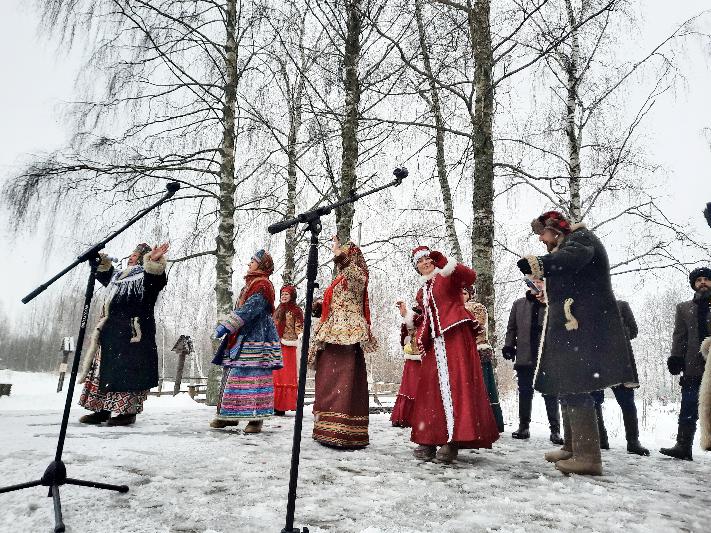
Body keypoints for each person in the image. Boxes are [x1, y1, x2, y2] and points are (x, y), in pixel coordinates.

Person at [517, 211, 637, 475]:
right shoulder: (571, 242)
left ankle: (588, 457)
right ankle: (573, 447)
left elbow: (570, 260)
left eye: (542, 233)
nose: (540, 239)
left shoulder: (581, 239)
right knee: (567, 383)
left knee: (576, 384)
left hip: (582, 325)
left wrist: (538, 264)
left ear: (555, 230)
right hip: (573, 324)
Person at [409, 246, 499, 463]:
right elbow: (427, 318)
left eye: (427, 258)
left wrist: (445, 262)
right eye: (419, 261)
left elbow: (470, 276)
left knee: (456, 385)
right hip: (435, 342)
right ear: (417, 267)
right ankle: (430, 437)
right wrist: (416, 327)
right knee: (432, 388)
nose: (425, 262)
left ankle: (453, 440)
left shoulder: (446, 276)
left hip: (455, 336)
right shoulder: (422, 292)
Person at [78, 242, 169, 426]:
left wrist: (153, 261)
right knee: (105, 370)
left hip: (133, 334)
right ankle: (101, 410)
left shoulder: (146, 277)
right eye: (131, 254)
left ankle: (127, 413)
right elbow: (105, 275)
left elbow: (157, 279)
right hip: (111, 332)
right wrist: (101, 262)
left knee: (127, 373)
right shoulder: (119, 277)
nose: (131, 257)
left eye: (136, 255)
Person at [309, 237, 377, 449]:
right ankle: (326, 429)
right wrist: (318, 305)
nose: (342, 255)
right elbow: (335, 303)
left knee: (344, 383)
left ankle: (345, 431)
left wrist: (339, 253)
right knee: (327, 381)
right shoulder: (337, 281)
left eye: (348, 252)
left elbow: (353, 275)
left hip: (347, 336)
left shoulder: (358, 275)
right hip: (331, 335)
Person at [212, 250, 282, 434]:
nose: (249, 263)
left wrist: (228, 324)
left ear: (262, 265)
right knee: (236, 376)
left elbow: (252, 308)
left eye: (253, 260)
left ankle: (256, 418)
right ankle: (230, 416)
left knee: (255, 377)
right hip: (243, 334)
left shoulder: (263, 284)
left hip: (257, 336)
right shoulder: (250, 283)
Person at [502, 279, 563, 445]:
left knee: (550, 393)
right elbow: (511, 328)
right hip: (525, 355)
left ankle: (555, 430)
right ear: (529, 284)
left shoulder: (553, 303)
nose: (538, 284)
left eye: (541, 281)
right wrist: (509, 346)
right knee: (525, 392)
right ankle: (523, 427)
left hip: (547, 357)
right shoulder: (518, 304)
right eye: (534, 281)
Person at [659, 267, 711, 460]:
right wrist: (676, 357)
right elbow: (679, 336)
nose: (703, 282)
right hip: (693, 366)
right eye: (699, 280)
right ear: (693, 285)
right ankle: (683, 446)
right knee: (688, 406)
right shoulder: (683, 308)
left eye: (706, 279)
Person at [591, 300, 649, 456]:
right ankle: (600, 440)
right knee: (594, 401)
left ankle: (633, 442)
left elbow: (634, 331)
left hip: (620, 361)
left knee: (627, 402)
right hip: (596, 362)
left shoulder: (622, 306)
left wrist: (616, 335)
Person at [463, 286, 505, 433]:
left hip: (478, 350)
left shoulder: (478, 307)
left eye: (465, 293)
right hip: (463, 352)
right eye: (459, 293)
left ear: (470, 295)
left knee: (482, 385)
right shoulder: (455, 307)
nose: (462, 296)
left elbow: (479, 326)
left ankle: (486, 421)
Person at [272, 285, 304, 415]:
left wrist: (301, 336)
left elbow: (299, 326)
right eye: (282, 294)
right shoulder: (278, 309)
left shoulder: (296, 310)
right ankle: (273, 404)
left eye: (286, 294)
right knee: (275, 374)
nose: (284, 296)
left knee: (285, 375)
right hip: (276, 344)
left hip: (289, 345)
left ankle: (282, 406)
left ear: (292, 296)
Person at [391, 302, 422, 427]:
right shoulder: (416, 316)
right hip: (415, 355)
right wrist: (406, 314)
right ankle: (408, 416)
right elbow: (409, 329)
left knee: (415, 386)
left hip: (425, 355)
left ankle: (413, 416)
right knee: (410, 386)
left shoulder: (432, 313)